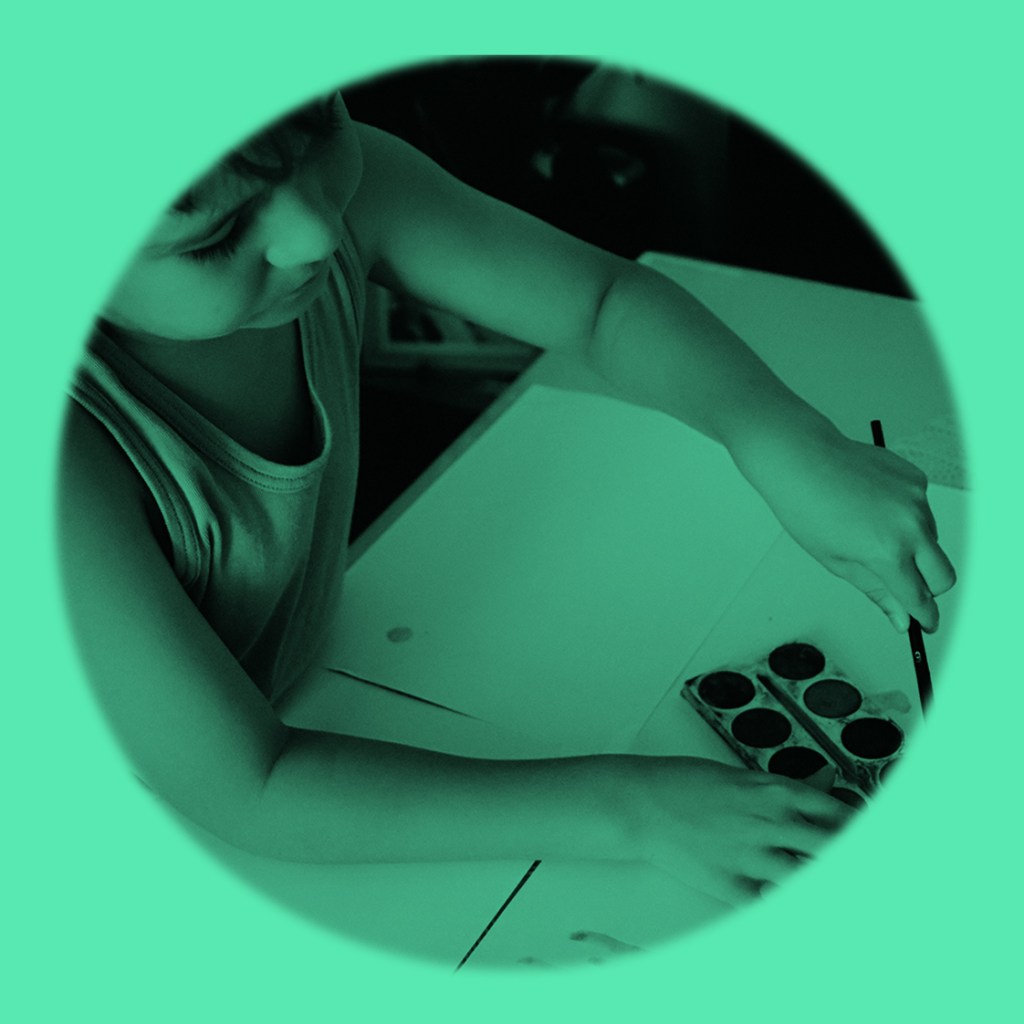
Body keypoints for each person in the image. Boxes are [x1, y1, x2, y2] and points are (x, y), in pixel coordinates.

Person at [57, 87, 956, 910]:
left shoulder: (322, 189)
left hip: (314, 696)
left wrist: (783, 439)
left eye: (321, 125)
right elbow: (252, 788)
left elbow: (601, 304)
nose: (313, 235)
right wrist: (632, 808)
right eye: (214, 238)